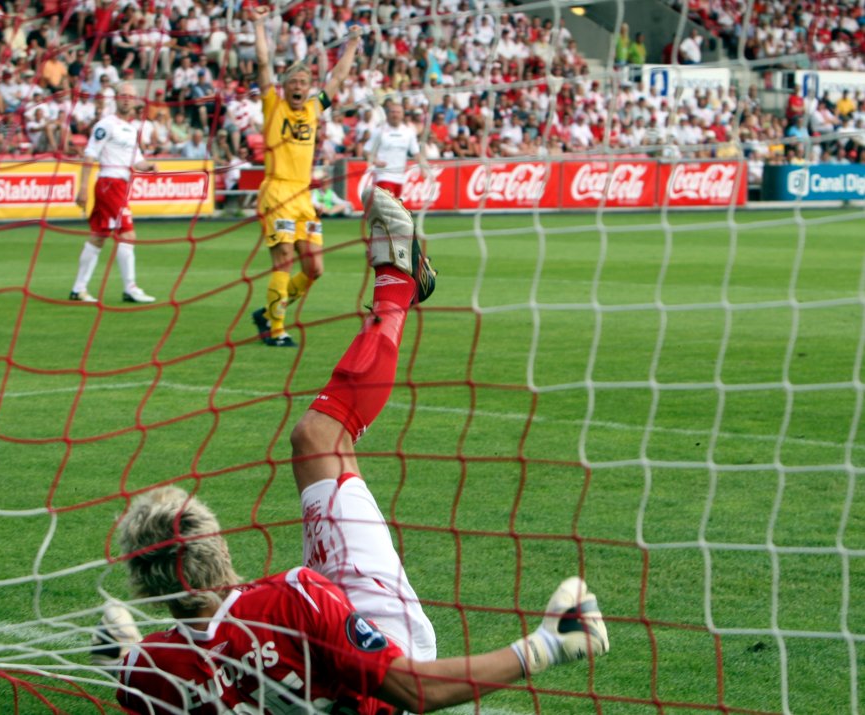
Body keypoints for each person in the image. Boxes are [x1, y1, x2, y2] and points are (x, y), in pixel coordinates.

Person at [93, 188, 608, 713]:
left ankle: (403, 284)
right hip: (390, 661)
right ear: (218, 548)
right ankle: (400, 284)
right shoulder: (292, 597)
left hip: (267, 658)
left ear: (148, 590)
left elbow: (142, 666)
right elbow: (416, 690)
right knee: (319, 437)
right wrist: (548, 644)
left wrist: (125, 649)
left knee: (313, 445)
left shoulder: (151, 673)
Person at [250, 5, 363, 348]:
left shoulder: (313, 108)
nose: (298, 86)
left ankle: (268, 312)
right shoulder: (274, 103)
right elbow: (264, 63)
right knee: (283, 259)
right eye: (293, 83)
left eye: (303, 82)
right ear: (283, 88)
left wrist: (353, 44)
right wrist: (258, 25)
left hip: (303, 195)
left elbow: (338, 79)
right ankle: (275, 328)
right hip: (277, 192)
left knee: (315, 269)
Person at [71, 81, 157, 304]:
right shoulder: (106, 125)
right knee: (127, 234)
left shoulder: (131, 129)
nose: (127, 98)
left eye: (131, 95)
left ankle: (78, 289)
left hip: (120, 185)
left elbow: (137, 160)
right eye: (123, 95)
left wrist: (149, 166)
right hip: (109, 183)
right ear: (116, 98)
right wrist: (82, 188)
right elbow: (90, 155)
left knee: (98, 237)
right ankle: (130, 288)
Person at [364, 101, 420, 199]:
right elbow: (366, 151)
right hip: (383, 175)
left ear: (402, 114)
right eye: (393, 112)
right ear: (388, 114)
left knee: (392, 210)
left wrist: (424, 169)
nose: (395, 115)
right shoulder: (379, 131)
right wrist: (375, 161)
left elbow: (416, 153)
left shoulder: (408, 132)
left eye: (398, 112)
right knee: (386, 205)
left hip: (400, 177)